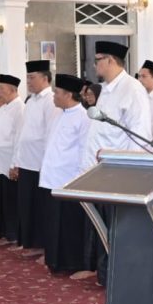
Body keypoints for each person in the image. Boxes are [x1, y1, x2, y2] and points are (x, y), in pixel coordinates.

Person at [81, 41, 152, 285]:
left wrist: (130, 176)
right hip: (101, 172)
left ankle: (121, 277)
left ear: (111, 60)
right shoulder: (106, 89)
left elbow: (139, 135)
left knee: (119, 229)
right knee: (105, 229)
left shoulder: (132, 90)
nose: (95, 64)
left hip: (120, 175)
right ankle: (106, 275)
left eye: (98, 59)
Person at [40, 74, 92, 272]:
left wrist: (79, 179)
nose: (53, 96)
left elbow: (83, 150)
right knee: (53, 223)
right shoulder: (58, 114)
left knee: (69, 225)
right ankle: (54, 260)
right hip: (51, 178)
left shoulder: (83, 117)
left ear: (68, 94)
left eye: (57, 93)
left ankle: (72, 263)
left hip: (69, 180)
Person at [11, 60, 62, 256]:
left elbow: (51, 133)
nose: (28, 81)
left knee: (42, 207)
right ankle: (29, 242)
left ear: (45, 78)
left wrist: (47, 163)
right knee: (27, 205)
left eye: (32, 78)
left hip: (41, 163)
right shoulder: (30, 101)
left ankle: (42, 246)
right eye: (28, 78)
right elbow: (22, 133)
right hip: (26, 162)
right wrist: (16, 161)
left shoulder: (51, 100)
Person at [0, 74, 24, 243]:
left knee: (9, 201)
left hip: (8, 162)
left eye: (1, 88)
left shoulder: (20, 108)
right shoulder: (2, 109)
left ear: (12, 89)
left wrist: (15, 163)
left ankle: (12, 234)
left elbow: (19, 138)